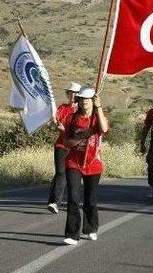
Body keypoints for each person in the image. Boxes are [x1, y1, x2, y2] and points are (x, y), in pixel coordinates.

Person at [62, 86, 109, 245]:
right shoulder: (72, 118)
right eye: (81, 99)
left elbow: (104, 129)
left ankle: (90, 228)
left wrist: (99, 107)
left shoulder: (97, 117)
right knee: (73, 198)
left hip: (93, 163)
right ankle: (72, 234)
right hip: (74, 161)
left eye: (87, 100)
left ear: (92, 101)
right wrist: (82, 138)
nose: (84, 102)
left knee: (90, 199)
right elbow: (66, 142)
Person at [47, 82, 80, 214]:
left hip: (75, 147)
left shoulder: (81, 111)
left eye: (75, 93)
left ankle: (53, 200)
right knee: (61, 173)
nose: (72, 95)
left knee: (66, 174)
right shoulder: (62, 108)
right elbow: (56, 120)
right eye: (70, 92)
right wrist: (55, 122)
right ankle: (55, 202)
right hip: (61, 145)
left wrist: (64, 130)